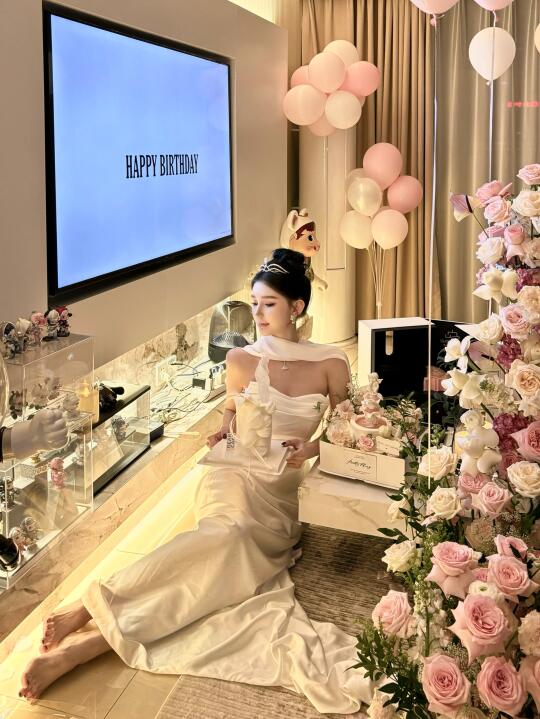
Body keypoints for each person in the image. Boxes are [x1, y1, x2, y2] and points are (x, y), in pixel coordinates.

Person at [19, 248, 372, 714]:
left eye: (268, 304)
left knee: (230, 545)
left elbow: (347, 433)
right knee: (227, 534)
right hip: (232, 473)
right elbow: (232, 413)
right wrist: (223, 431)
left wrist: (310, 449)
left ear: (297, 307)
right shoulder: (241, 358)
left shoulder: (330, 362)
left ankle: (92, 626)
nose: (257, 313)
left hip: (280, 492)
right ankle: (88, 624)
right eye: (254, 302)